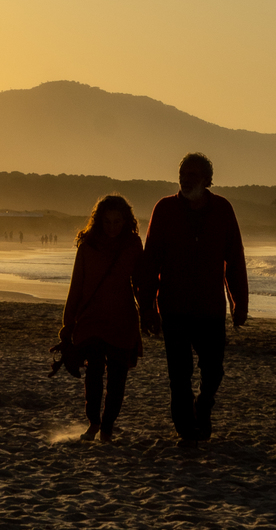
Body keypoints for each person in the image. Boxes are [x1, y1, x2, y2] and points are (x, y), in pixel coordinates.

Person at [139, 152, 248, 447]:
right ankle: (186, 428)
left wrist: (240, 302)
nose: (186, 180)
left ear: (207, 180)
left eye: (193, 175)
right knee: (179, 372)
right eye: (183, 175)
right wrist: (146, 307)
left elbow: (235, 260)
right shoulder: (164, 210)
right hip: (173, 307)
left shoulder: (223, 210)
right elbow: (151, 262)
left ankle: (204, 405)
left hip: (210, 308)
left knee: (213, 370)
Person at [57, 195, 143, 443]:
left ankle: (107, 428)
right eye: (107, 222)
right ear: (99, 221)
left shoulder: (132, 245)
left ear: (126, 221)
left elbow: (140, 284)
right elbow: (77, 286)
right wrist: (67, 324)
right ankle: (94, 422)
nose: (113, 227)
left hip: (122, 319)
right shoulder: (88, 246)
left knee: (118, 377)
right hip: (91, 319)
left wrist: (150, 311)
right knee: (93, 374)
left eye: (117, 222)